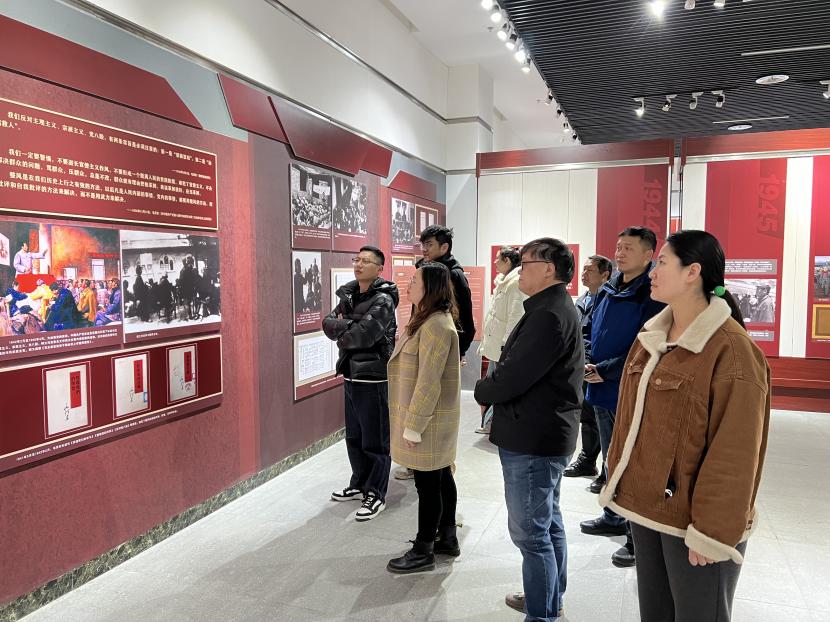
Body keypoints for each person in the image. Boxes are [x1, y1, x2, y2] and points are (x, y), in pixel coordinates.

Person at [600, 230, 770, 622]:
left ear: (692, 272)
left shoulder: (733, 351)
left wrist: (712, 532)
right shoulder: (652, 338)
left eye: (662, 262)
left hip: (695, 524)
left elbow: (736, 452)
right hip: (648, 510)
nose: (653, 272)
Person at [475, 238, 584, 621]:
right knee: (548, 522)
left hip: (534, 438)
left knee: (531, 533)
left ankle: (542, 613)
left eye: (527, 264)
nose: (520, 270)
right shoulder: (550, 307)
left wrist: (482, 389)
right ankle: (549, 598)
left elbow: (512, 375)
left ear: (549, 269)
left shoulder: (549, 315)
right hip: (544, 433)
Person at [580, 226, 665, 568]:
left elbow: (647, 342)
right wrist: (588, 359)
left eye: (629, 247)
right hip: (599, 385)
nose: (620, 252)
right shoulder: (608, 287)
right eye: (618, 246)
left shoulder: (652, 292)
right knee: (611, 458)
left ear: (648, 254)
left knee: (631, 462)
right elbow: (589, 328)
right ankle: (613, 516)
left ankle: (635, 537)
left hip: (629, 386)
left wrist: (607, 368)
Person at [386, 262, 461, 574]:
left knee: (428, 485)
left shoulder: (436, 326)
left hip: (428, 419)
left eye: (415, 280)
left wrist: (414, 426)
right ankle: (447, 537)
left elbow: (429, 381)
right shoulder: (426, 319)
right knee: (440, 477)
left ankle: (423, 549)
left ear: (430, 287)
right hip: (430, 416)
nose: (409, 284)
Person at [323, 246, 399, 522]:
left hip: (374, 376)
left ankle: (376, 493)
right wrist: (351, 326)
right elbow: (327, 323)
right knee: (354, 437)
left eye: (366, 261)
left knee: (375, 440)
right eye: (357, 259)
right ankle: (359, 483)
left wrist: (345, 327)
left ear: (379, 269)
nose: (359, 264)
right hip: (350, 373)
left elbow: (363, 337)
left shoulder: (384, 299)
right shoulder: (349, 294)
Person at [394, 225, 474, 481]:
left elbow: (466, 320)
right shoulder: (424, 269)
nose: (425, 249)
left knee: (433, 409)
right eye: (423, 244)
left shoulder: (453, 276)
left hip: (439, 347)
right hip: (425, 343)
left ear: (444, 246)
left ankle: (437, 466)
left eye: (429, 244)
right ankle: (426, 464)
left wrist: (458, 352)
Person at [564, 255, 613, 486]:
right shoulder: (582, 299)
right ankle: (587, 460)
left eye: (589, 270)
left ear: (605, 275)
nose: (583, 274)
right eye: (582, 270)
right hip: (580, 365)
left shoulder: (609, 301)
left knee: (603, 419)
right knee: (587, 416)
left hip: (598, 367)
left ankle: (608, 469)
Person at [476, 245, 526, 434]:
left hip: (501, 346)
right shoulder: (504, 282)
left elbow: (515, 316)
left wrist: (507, 344)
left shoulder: (515, 283)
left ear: (507, 261)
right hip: (496, 344)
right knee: (492, 384)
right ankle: (490, 423)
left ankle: (493, 424)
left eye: (498, 258)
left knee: (496, 386)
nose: (495, 262)